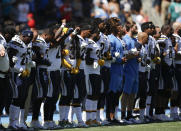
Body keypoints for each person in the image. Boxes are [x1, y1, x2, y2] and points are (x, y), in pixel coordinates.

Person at [7, 30, 34, 130]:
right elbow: (9, 59)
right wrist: (19, 69)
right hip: (15, 73)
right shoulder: (15, 43)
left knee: (23, 98)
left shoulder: (26, 43)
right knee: (16, 97)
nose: (30, 40)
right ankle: (12, 123)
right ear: (22, 36)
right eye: (28, 38)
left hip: (24, 73)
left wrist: (29, 65)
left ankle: (20, 122)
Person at [121, 22, 139, 123]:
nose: (137, 29)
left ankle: (129, 114)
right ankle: (123, 115)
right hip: (127, 70)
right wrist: (133, 55)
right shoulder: (125, 40)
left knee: (133, 93)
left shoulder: (135, 40)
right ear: (130, 28)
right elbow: (123, 55)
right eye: (135, 27)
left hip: (135, 69)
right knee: (126, 93)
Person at [0, 25, 16, 129]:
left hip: (5, 74)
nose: (12, 38)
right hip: (0, 74)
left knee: (7, 97)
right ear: (7, 34)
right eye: (11, 36)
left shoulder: (3, 40)